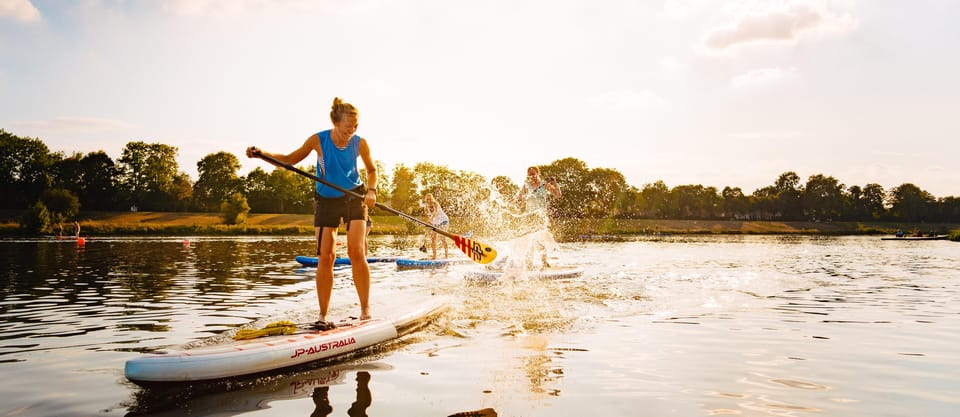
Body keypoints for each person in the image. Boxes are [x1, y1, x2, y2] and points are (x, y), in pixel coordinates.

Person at [246, 97, 377, 328]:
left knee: (356, 251)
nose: (352, 130)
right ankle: (323, 315)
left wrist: (372, 190)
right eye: (348, 126)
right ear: (335, 122)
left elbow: (371, 170)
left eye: (355, 126)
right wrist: (262, 154)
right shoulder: (319, 140)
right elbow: (288, 160)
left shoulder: (360, 143)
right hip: (326, 200)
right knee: (326, 256)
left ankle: (365, 309)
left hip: (354, 197)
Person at [423, 193, 449, 259]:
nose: (429, 201)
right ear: (426, 200)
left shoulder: (436, 204)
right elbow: (427, 217)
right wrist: (428, 223)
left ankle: (446, 255)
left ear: (432, 199)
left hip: (443, 221)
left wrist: (431, 219)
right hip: (435, 223)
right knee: (433, 238)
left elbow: (436, 213)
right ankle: (434, 256)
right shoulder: (425, 207)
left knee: (442, 238)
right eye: (427, 199)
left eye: (430, 199)